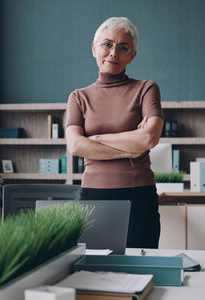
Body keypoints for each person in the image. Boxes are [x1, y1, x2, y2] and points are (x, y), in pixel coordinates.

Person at [65, 17, 164, 248]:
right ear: (94, 49)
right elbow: (76, 146)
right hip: (93, 196)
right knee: (94, 272)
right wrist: (131, 145)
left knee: (142, 270)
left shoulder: (147, 89)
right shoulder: (78, 97)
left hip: (140, 196)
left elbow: (149, 138)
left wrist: (97, 140)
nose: (113, 53)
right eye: (107, 44)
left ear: (132, 55)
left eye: (123, 47)